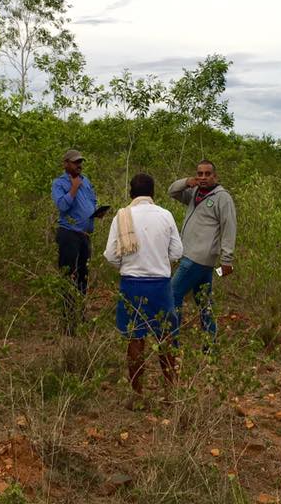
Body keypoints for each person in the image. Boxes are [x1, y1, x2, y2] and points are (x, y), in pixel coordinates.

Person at [104, 173, 183, 407]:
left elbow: (111, 255)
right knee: (165, 337)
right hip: (160, 285)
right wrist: (158, 259)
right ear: (153, 193)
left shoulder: (122, 216)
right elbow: (177, 252)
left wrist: (129, 264)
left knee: (135, 338)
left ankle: (137, 395)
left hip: (132, 283)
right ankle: (171, 393)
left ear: (131, 192)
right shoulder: (165, 215)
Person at [168, 159, 236, 351]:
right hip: (193, 256)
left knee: (172, 294)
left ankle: (172, 343)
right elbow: (172, 191)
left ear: (215, 176)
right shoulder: (195, 193)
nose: (203, 177)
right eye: (200, 174)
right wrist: (186, 182)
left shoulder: (223, 198)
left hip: (197, 258)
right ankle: (210, 345)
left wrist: (227, 259)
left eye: (207, 174)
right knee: (204, 300)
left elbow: (229, 228)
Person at [51, 149, 106, 334]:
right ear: (66, 163)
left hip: (84, 236)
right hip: (69, 234)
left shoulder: (86, 180)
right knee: (69, 276)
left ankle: (79, 316)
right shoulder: (59, 183)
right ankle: (68, 322)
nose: (79, 165)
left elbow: (92, 200)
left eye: (80, 162)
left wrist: (96, 212)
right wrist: (73, 188)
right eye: (75, 162)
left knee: (83, 277)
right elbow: (62, 205)